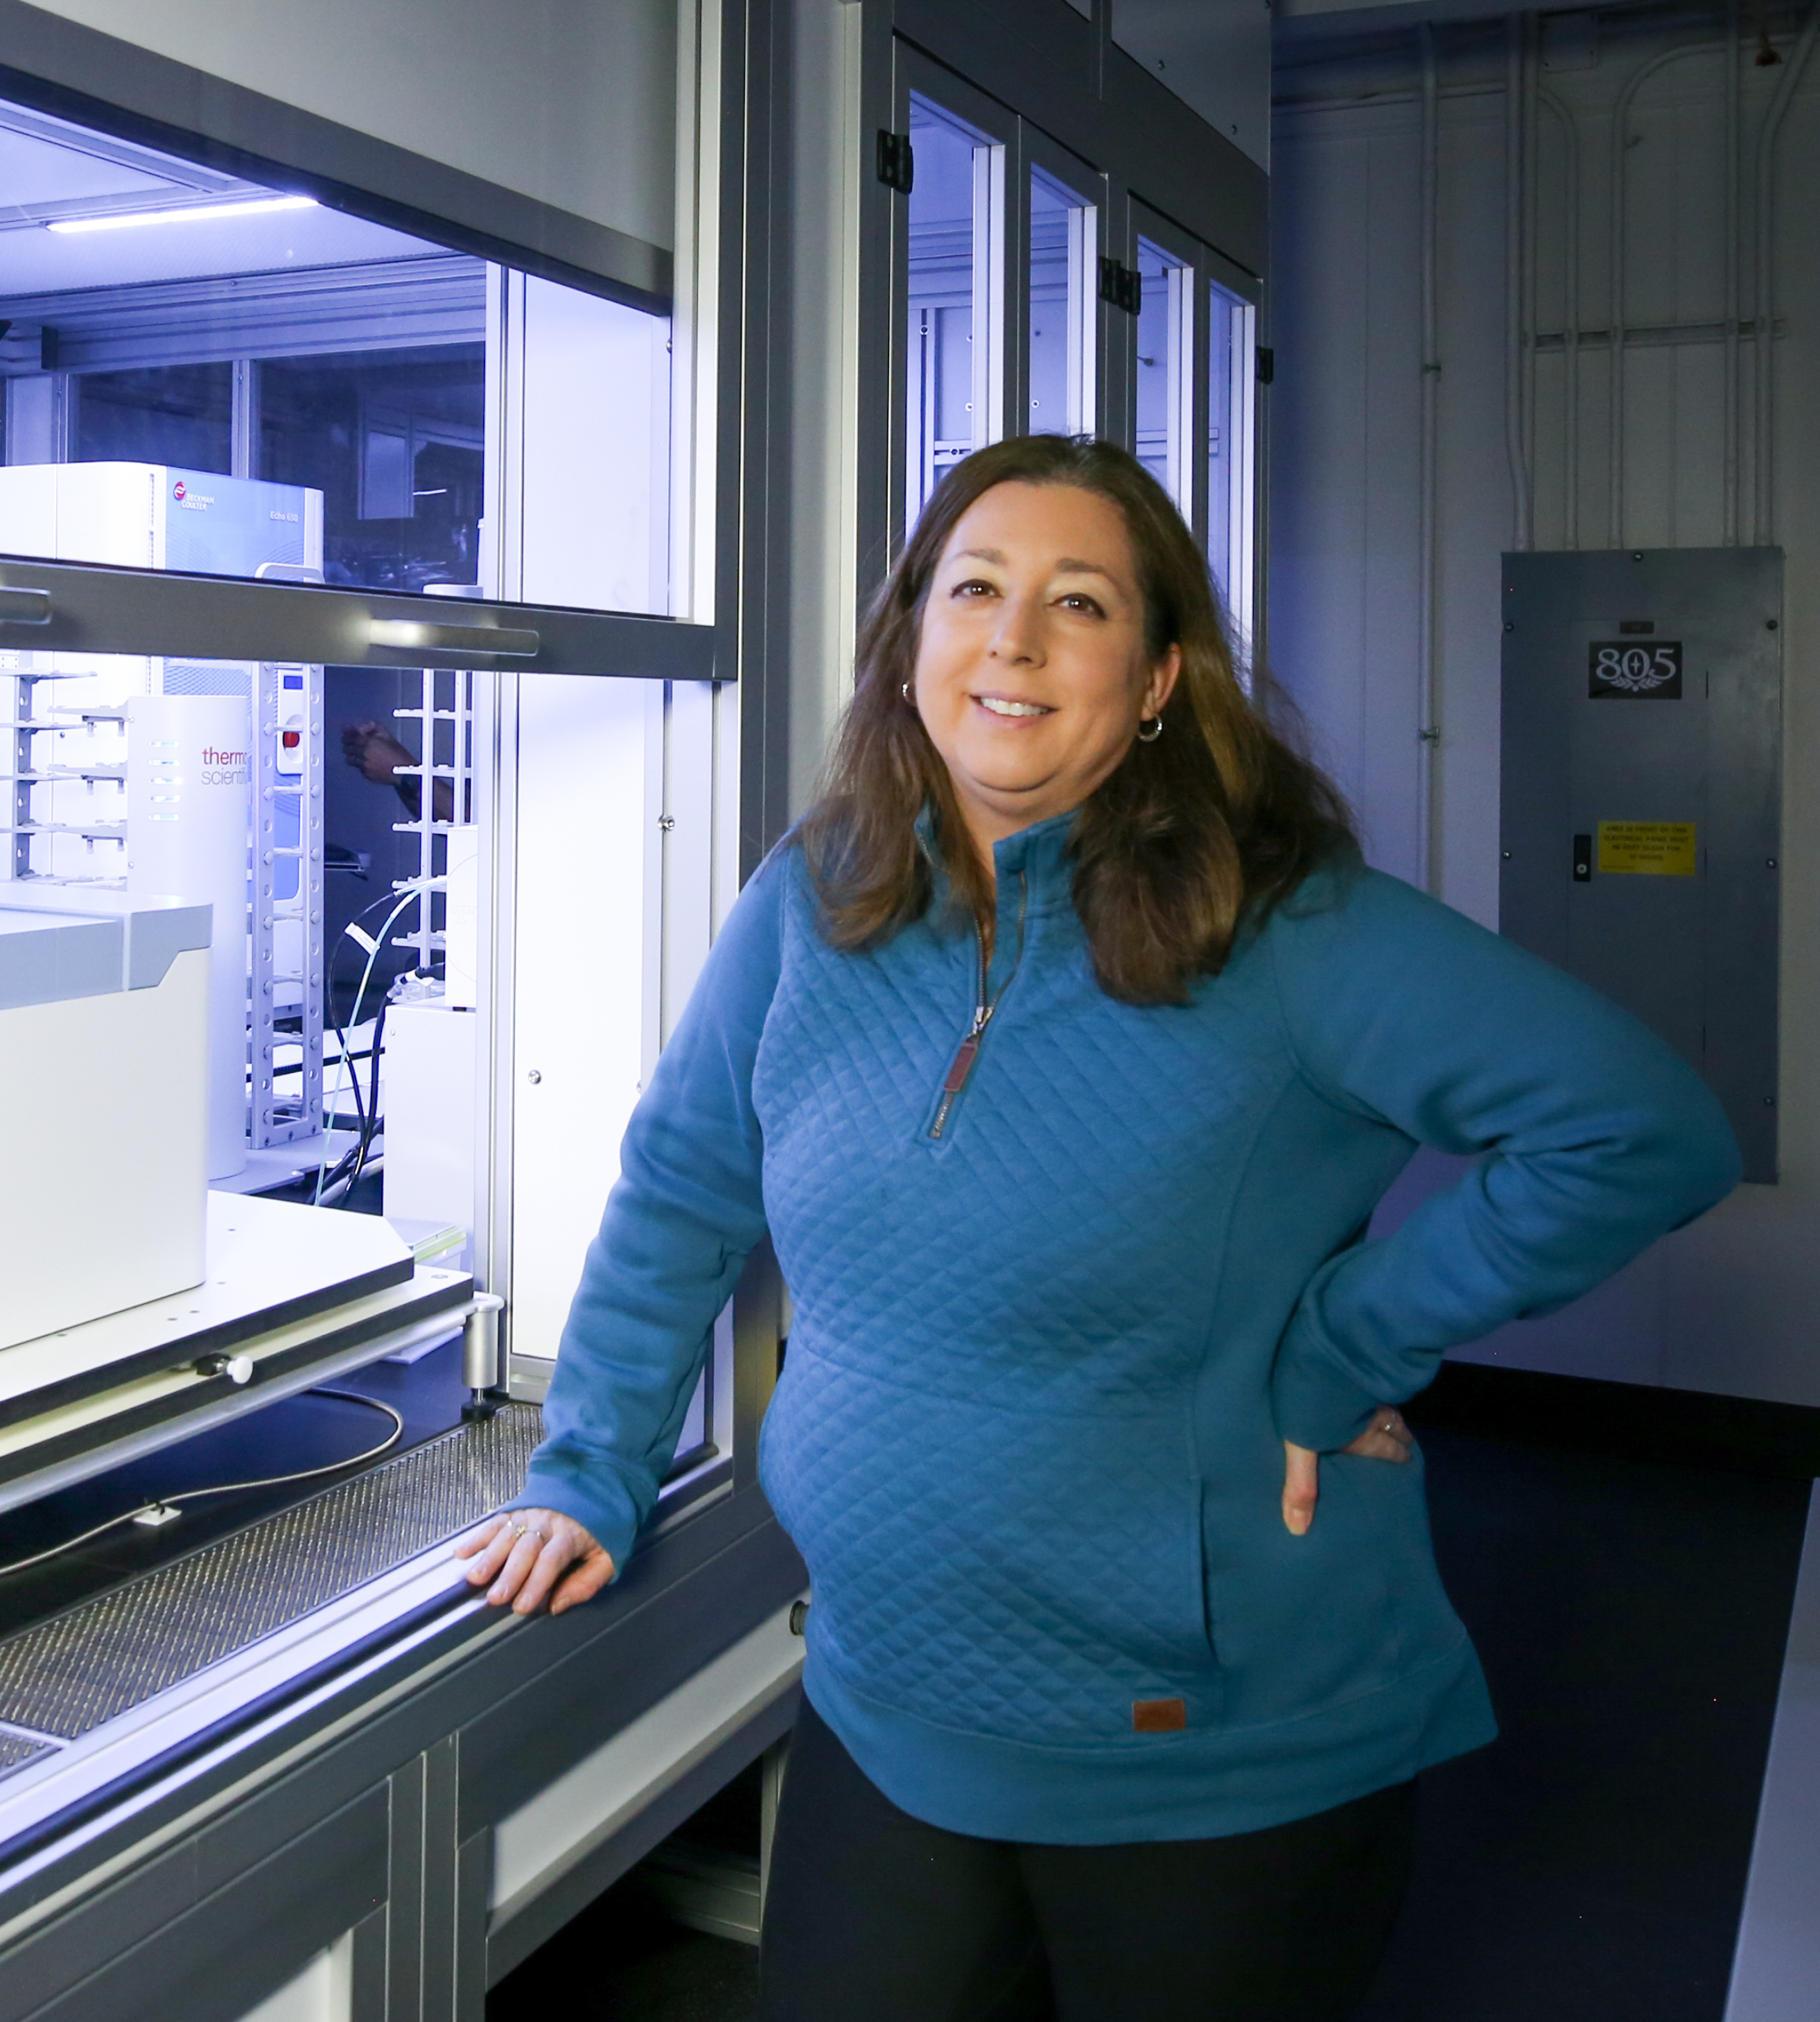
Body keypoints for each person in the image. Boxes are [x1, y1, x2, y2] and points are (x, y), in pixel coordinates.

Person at [452, 433, 1739, 2021]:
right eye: (974, 588)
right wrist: (591, 1465)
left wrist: (1337, 1347)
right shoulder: (815, 895)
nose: (1013, 638)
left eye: (1079, 602)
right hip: (887, 1695)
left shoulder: (1288, 928)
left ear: (1154, 681)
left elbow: (1640, 1128)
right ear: (910, 637)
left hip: (1215, 1754)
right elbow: (678, 1187)